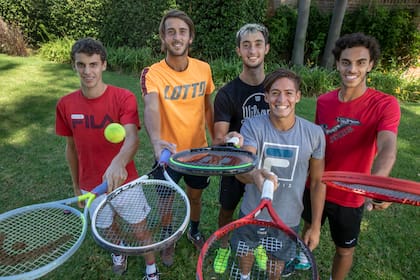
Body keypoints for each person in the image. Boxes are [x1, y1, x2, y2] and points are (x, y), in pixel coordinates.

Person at [299, 33, 401, 280]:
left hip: (350, 195)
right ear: (337, 63)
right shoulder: (324, 101)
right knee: (309, 228)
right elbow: (316, 146)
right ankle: (301, 258)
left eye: (360, 62)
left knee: (344, 250)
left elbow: (387, 147)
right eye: (346, 62)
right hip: (317, 185)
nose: (352, 69)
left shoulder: (385, 104)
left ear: (371, 65)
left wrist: (375, 186)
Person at [55, 37, 159, 280]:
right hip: (90, 185)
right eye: (81, 65)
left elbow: (132, 139)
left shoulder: (123, 97)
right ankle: (118, 251)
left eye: (93, 64)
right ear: (74, 66)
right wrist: (75, 185)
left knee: (141, 230)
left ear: (103, 65)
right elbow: (71, 148)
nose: (87, 71)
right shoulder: (65, 104)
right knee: (106, 228)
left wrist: (117, 163)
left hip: (126, 182)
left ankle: (152, 269)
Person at [232, 68, 326, 279]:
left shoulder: (315, 134)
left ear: (298, 96)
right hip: (252, 211)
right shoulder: (252, 126)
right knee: (245, 251)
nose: (281, 99)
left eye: (289, 93)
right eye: (275, 93)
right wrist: (254, 174)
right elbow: (243, 166)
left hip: (288, 215)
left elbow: (318, 182)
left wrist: (316, 225)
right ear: (266, 97)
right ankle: (244, 276)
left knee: (277, 261)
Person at [140, 9, 215, 266]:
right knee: (166, 201)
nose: (177, 37)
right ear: (163, 37)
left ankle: (193, 230)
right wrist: (156, 142)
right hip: (168, 154)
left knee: (195, 196)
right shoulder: (154, 73)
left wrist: (215, 138)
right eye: (170, 31)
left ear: (190, 37)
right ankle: (168, 238)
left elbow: (208, 106)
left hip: (198, 152)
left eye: (182, 31)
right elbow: (150, 107)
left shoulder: (204, 69)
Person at [212, 23, 270, 274]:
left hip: (266, 163)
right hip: (236, 164)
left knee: (261, 211)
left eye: (258, 44)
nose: (252, 50)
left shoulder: (276, 88)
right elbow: (218, 137)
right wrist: (229, 138)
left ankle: (255, 244)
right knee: (227, 209)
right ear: (238, 51)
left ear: (266, 48)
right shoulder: (227, 93)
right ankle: (224, 245)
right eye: (246, 45)